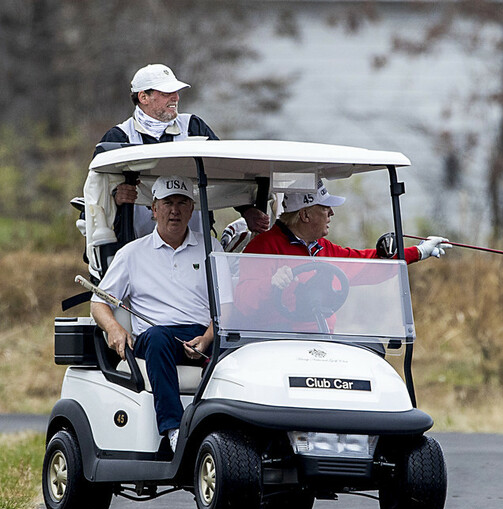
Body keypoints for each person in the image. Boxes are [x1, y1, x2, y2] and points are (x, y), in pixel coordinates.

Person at [90, 175, 220, 453]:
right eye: (167, 203)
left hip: (201, 334)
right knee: (160, 338)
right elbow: (98, 303)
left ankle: (223, 431)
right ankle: (173, 430)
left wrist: (206, 339)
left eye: (182, 203)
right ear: (153, 210)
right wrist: (114, 329)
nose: (175, 210)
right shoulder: (131, 254)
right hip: (155, 338)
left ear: (192, 208)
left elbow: (227, 307)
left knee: (234, 349)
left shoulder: (211, 248)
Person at [233, 179, 450, 324]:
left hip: (322, 341)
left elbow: (367, 263)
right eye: (325, 208)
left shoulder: (321, 248)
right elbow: (244, 303)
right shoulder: (263, 247)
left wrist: (420, 251)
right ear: (305, 215)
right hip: (275, 344)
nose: (331, 213)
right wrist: (271, 284)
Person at [95, 63, 270, 236]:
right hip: (138, 249)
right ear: (143, 97)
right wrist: (116, 198)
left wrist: (247, 211)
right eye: (166, 93)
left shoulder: (194, 126)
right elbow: (96, 196)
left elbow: (226, 174)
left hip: (198, 246)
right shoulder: (118, 137)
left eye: (176, 92)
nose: (176, 98)